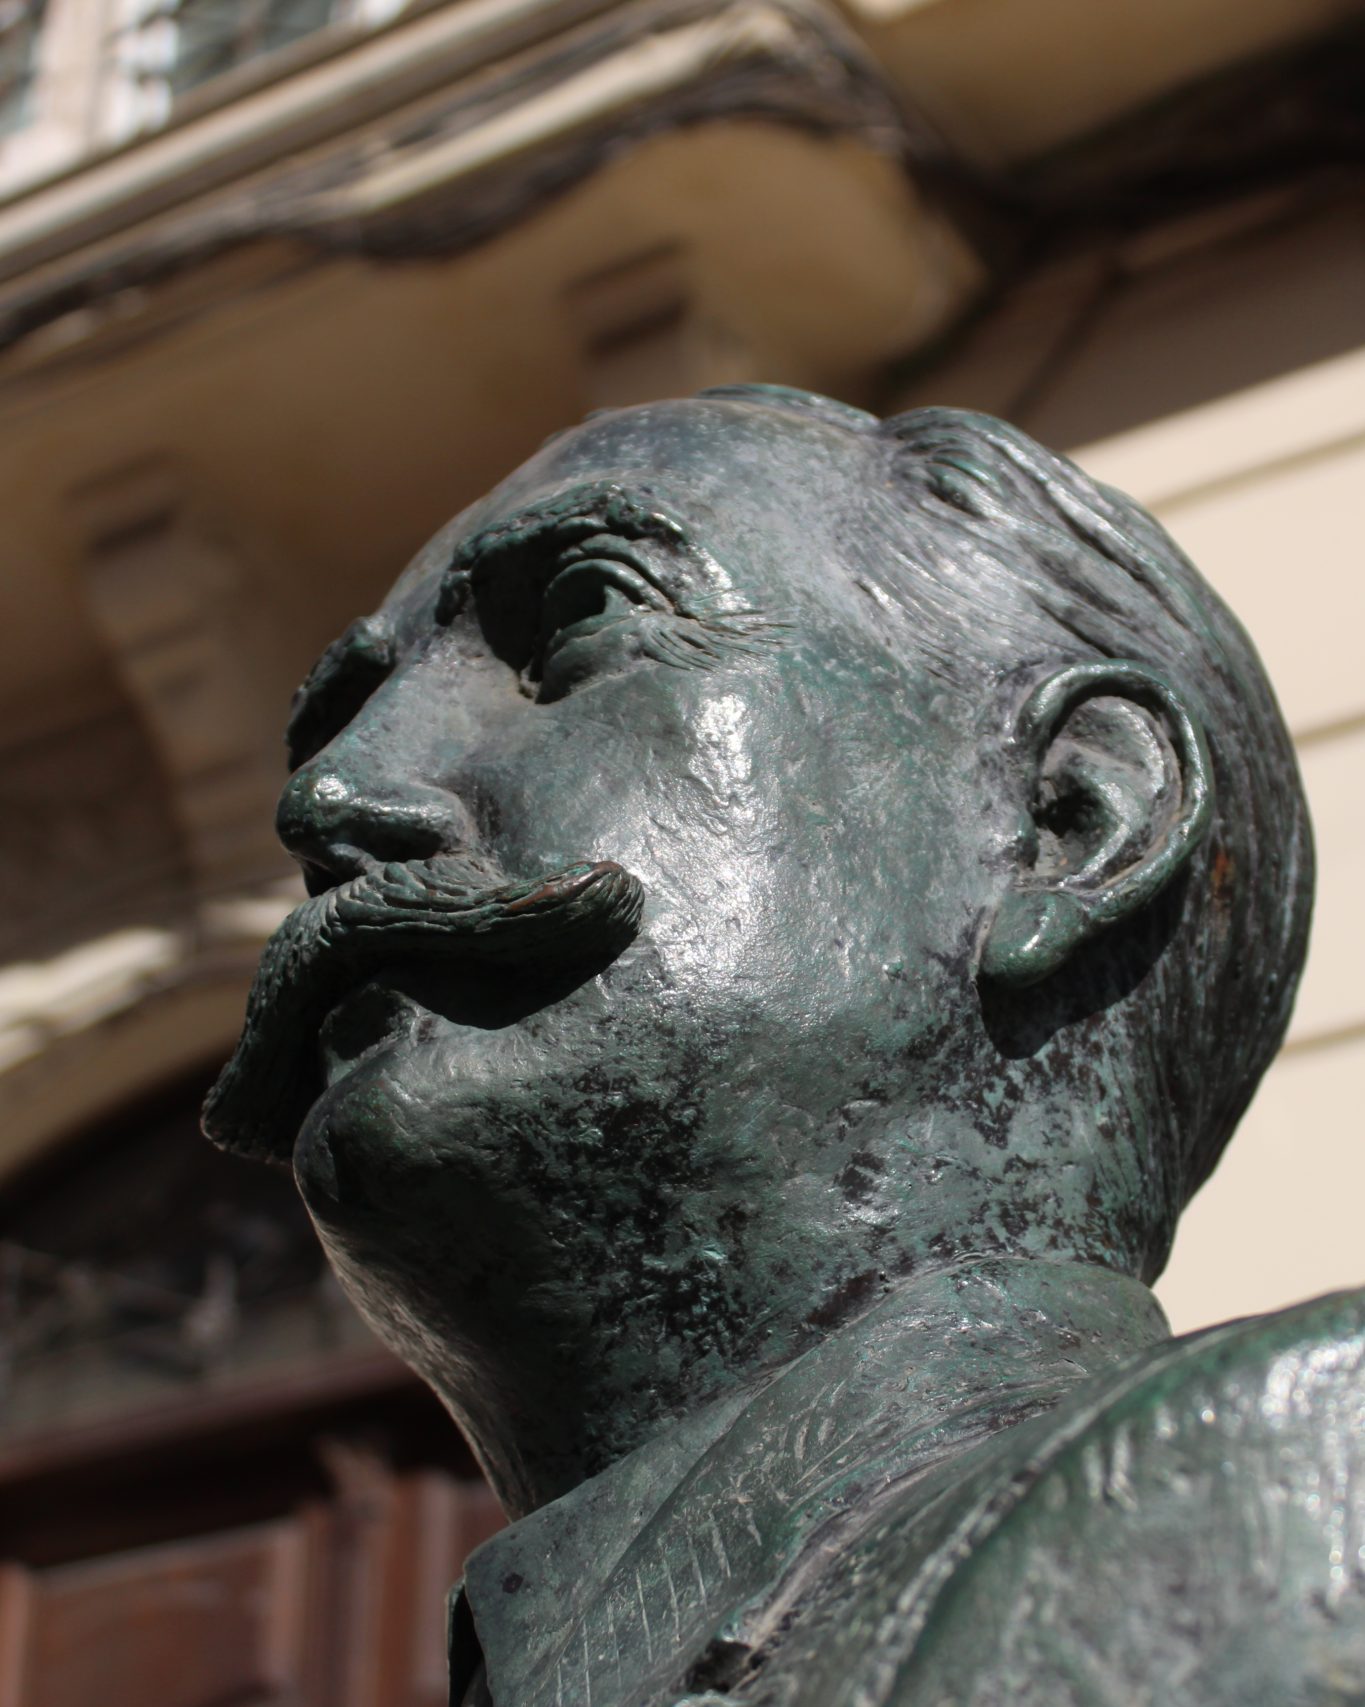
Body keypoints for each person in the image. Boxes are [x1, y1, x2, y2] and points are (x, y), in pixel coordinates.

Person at [204, 387, 1363, 1706]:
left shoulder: (1298, 1480)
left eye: (582, 612)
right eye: (336, 720)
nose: (331, 797)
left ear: (1067, 821)